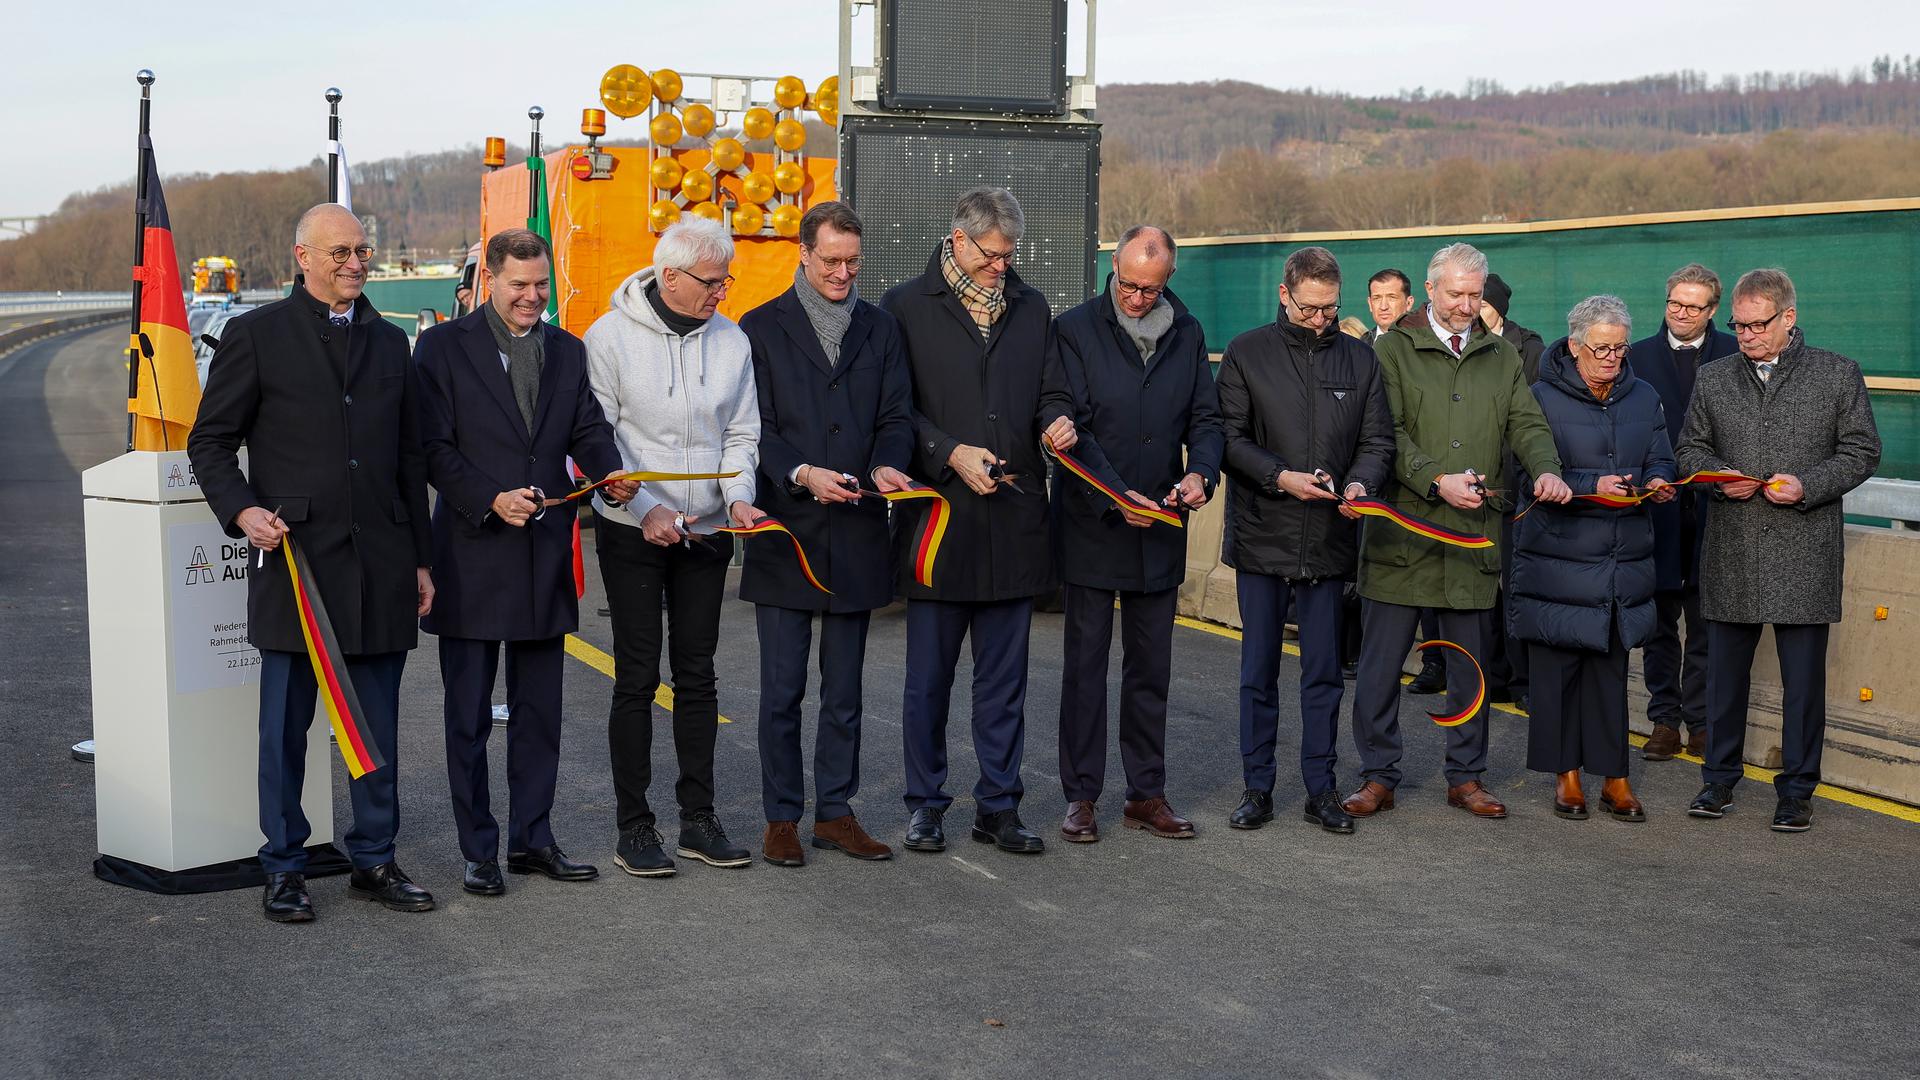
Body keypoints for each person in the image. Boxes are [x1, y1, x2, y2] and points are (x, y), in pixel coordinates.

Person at [188, 203, 436, 922]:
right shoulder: (255, 335)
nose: (355, 263)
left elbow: (409, 458)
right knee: (284, 731)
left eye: (362, 250)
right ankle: (285, 866)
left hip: (382, 565)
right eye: (340, 253)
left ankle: (376, 858)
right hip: (295, 565)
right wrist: (241, 510)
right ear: (302, 256)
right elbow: (211, 442)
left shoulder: (392, 344)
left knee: (377, 727)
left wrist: (420, 560)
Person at [412, 228, 635, 897]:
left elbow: (587, 428)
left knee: (540, 714)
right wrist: (489, 499)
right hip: (473, 552)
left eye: (542, 285)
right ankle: (479, 849)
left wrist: (612, 474)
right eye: (519, 285)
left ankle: (533, 840)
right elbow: (432, 447)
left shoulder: (567, 351)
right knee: (469, 717)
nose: (533, 297)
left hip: (544, 556)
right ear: (489, 280)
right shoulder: (442, 348)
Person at [880, 187, 1081, 855]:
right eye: (993, 255)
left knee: (1005, 685)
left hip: (1015, 522)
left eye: (1010, 254)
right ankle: (926, 803)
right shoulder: (905, 308)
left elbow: (1050, 386)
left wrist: (1057, 418)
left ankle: (999, 805)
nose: (1003, 267)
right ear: (960, 242)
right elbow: (894, 411)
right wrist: (947, 451)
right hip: (941, 525)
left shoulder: (1031, 308)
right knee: (928, 683)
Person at [1346, 242, 1570, 821]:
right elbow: (1385, 433)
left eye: (1475, 294)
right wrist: (1433, 479)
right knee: (1379, 669)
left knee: (1471, 669)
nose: (1467, 304)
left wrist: (1546, 468)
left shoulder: (1502, 355)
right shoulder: (1393, 349)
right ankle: (1378, 775)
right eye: (1456, 293)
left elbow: (1525, 421)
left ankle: (1466, 777)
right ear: (1431, 291)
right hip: (1403, 538)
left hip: (1473, 540)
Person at [585, 217, 763, 876]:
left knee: (698, 675)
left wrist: (739, 495)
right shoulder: (607, 339)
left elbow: (743, 431)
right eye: (711, 282)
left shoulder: (732, 341)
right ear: (669, 276)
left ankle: (698, 820)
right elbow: (597, 438)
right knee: (636, 676)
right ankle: (635, 826)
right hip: (633, 529)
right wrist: (644, 506)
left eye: (725, 281)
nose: (722, 293)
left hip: (708, 531)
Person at [737, 202, 913, 867]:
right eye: (831, 260)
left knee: (846, 690)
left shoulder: (882, 330)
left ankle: (835, 812)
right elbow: (753, 428)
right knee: (783, 690)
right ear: (803, 255)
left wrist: (887, 462)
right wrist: (802, 473)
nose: (843, 272)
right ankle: (781, 816)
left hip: (860, 528)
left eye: (853, 261)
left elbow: (896, 415)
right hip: (789, 529)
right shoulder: (758, 328)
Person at [1677, 268, 1880, 832]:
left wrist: (1808, 486)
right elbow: (1688, 449)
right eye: (1738, 326)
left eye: (1756, 325)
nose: (1745, 335)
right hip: (1733, 550)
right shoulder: (1714, 378)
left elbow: (1863, 451)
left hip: (1805, 551)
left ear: (1788, 318)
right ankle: (1717, 782)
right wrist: (1718, 476)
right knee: (1723, 681)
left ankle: (1796, 791)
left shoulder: (1838, 374)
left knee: (1803, 685)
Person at [1052, 225, 1223, 843]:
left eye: (1150, 290)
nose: (1137, 298)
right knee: (1085, 670)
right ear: (1112, 269)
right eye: (1127, 284)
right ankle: (1081, 796)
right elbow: (1067, 422)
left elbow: (1206, 418)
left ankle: (1146, 793)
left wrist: (1201, 472)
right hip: (1095, 524)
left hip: (1161, 526)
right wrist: (1114, 494)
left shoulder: (1189, 332)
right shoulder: (1073, 329)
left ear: (1167, 281)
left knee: (1151, 669)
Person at [1218, 246, 1393, 834]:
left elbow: (1377, 441)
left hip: (1330, 538)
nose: (1320, 320)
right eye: (1309, 309)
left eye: (1330, 310)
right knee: (1258, 670)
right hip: (1262, 535)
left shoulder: (1361, 361)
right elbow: (1228, 440)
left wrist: (1362, 483)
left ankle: (1322, 787)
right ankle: (1257, 786)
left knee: (1321, 673)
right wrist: (1278, 476)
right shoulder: (1246, 352)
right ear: (1285, 296)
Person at [1509, 296, 1676, 822]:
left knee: (1609, 672)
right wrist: (1588, 485)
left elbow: (1662, 455)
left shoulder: (1643, 395)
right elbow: (1523, 475)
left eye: (1620, 348)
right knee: (1558, 671)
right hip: (1557, 557)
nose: (1611, 357)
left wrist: (1659, 482)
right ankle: (1567, 776)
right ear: (1575, 345)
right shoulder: (1537, 397)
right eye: (1601, 348)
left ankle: (1616, 778)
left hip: (1620, 559)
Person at [1632, 263, 1737, 762]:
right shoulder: (1636, 357)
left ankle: (1700, 720)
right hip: (1656, 510)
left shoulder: (1735, 355)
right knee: (1657, 624)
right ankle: (1662, 720)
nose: (1681, 313)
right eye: (1675, 303)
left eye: (1694, 307)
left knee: (1706, 624)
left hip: (1718, 511)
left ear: (1712, 311)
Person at [1479, 273, 1546, 384]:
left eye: (1482, 306)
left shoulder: (1531, 351)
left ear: (1499, 311)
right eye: (1473, 305)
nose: (1475, 312)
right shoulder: (1459, 343)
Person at [1364, 268, 1414, 344]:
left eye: (1392, 297)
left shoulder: (1426, 342)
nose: (1383, 307)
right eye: (1377, 298)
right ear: (1370, 304)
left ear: (1409, 303)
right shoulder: (1358, 346)